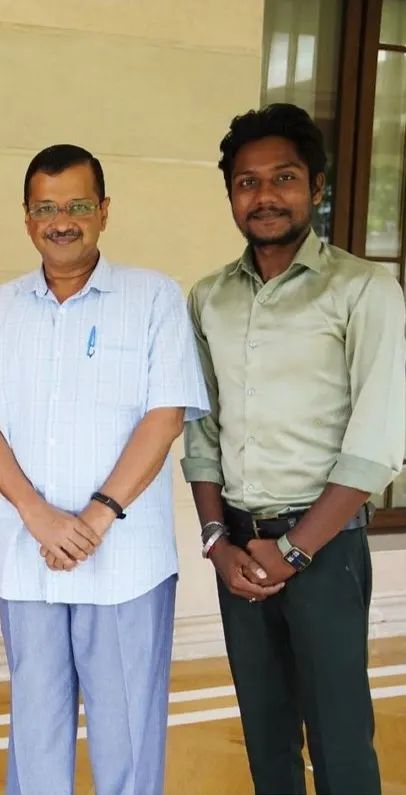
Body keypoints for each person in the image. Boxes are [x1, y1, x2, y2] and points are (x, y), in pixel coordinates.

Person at [0, 145, 209, 795]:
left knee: (128, 739)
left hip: (125, 563)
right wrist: (39, 514)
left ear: (104, 211)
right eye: (46, 207)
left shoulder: (152, 297)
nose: (62, 220)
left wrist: (96, 516)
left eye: (77, 205)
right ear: (27, 217)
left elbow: (165, 415)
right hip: (31, 559)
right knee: (35, 736)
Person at [183, 103, 405, 795]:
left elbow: (378, 440)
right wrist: (218, 540)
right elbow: (202, 431)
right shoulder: (208, 297)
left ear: (315, 187)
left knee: (339, 738)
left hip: (325, 548)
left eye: (282, 177)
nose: (265, 195)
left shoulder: (364, 288)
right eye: (247, 182)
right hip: (239, 549)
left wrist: (297, 549)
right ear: (230, 197)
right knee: (266, 734)